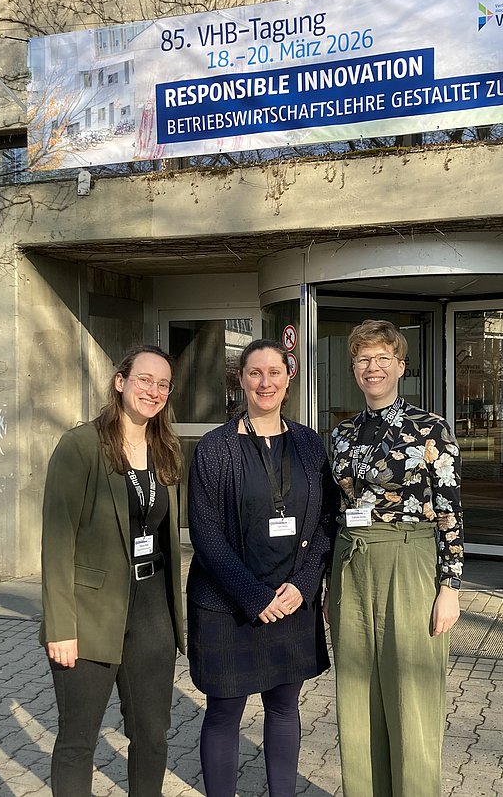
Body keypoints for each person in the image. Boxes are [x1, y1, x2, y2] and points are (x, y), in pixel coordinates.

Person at [187, 338, 338, 797]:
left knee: (284, 708)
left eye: (274, 372)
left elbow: (329, 520)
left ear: (288, 381)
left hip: (292, 602)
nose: (265, 382)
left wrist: (304, 584)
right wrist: (254, 597)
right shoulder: (214, 448)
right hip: (228, 606)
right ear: (241, 380)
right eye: (255, 373)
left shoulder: (311, 445)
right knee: (224, 712)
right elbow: (206, 534)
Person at [328, 319, 464, 797]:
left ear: (401, 366)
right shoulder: (342, 435)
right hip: (352, 564)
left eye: (383, 358)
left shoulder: (431, 429)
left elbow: (449, 508)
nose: (373, 367)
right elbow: (337, 508)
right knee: (358, 695)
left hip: (410, 562)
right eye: (364, 359)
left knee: (412, 697)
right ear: (354, 368)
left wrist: (450, 587)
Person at [40, 345, 183, 797]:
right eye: (144, 379)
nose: (153, 391)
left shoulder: (165, 448)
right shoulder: (80, 445)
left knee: (152, 737)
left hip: (151, 613)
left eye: (163, 384)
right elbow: (57, 542)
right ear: (120, 381)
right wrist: (60, 627)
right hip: (89, 613)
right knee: (78, 741)